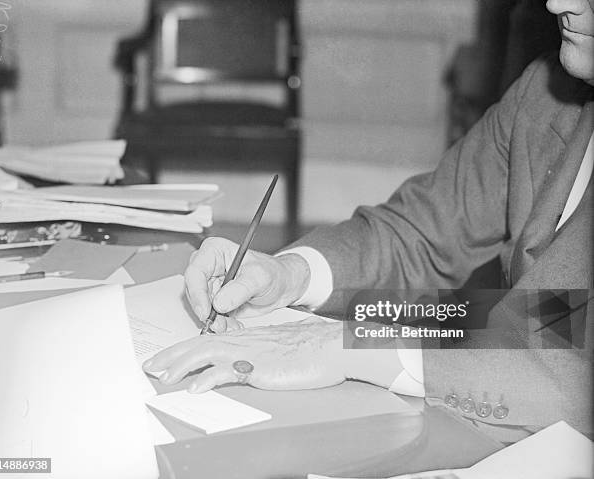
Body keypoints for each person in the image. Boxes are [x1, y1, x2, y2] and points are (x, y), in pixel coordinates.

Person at [144, 0, 594, 439]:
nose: (558, 4)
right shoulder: (546, 94)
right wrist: (291, 274)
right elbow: (421, 232)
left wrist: (357, 346)